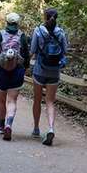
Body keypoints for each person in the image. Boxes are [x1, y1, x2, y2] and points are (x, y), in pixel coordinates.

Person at [0, 13, 30, 141]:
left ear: (7, 22)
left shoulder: (1, 34)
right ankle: (9, 124)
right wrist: (25, 67)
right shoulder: (22, 36)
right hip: (17, 71)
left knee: (1, 100)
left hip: (1, 71)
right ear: (18, 23)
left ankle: (2, 126)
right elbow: (26, 55)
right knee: (12, 101)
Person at [30, 8, 68, 146]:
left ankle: (36, 129)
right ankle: (51, 128)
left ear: (45, 17)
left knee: (37, 100)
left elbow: (33, 50)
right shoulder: (61, 32)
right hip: (54, 72)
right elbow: (65, 51)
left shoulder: (38, 31)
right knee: (50, 101)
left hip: (40, 70)